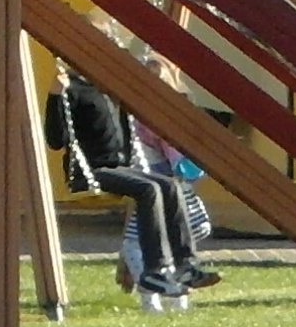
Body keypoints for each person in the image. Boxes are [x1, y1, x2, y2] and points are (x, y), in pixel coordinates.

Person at [48, 69, 212, 308]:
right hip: (89, 172)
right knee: (149, 189)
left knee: (168, 184)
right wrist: (55, 95)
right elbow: (54, 139)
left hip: (121, 169)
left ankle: (185, 265)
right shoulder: (71, 89)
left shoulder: (111, 89)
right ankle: (154, 269)